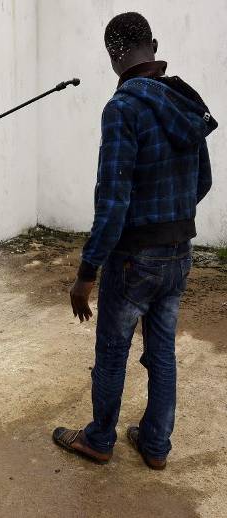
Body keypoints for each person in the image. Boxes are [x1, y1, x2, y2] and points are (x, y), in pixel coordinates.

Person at [53, 13, 217, 469]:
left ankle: (99, 439)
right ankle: (155, 444)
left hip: (133, 261)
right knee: (161, 351)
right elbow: (203, 180)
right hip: (179, 252)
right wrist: (170, 220)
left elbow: (112, 201)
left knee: (112, 351)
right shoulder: (186, 102)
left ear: (113, 57)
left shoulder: (122, 108)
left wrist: (86, 273)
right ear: (155, 45)